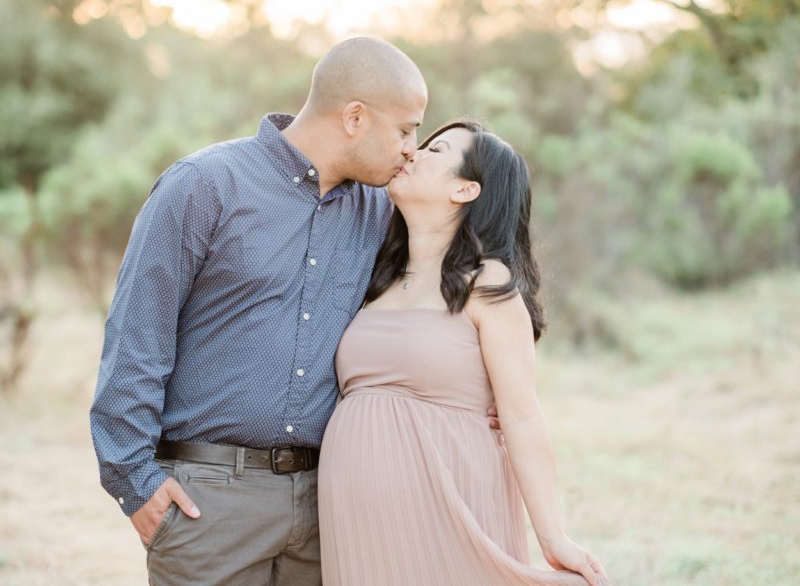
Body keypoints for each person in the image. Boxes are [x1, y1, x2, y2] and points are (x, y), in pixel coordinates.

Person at [89, 38, 498, 585]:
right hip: (209, 501)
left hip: (332, 504)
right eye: (406, 129)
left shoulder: (381, 211)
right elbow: (137, 336)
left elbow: (434, 305)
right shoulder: (204, 186)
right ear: (355, 117)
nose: (411, 148)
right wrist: (134, 483)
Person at [318, 119, 610, 586]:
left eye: (436, 151)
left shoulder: (486, 282)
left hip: (449, 500)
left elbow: (522, 416)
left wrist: (553, 537)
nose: (413, 153)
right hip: (358, 522)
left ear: (465, 190)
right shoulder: (376, 277)